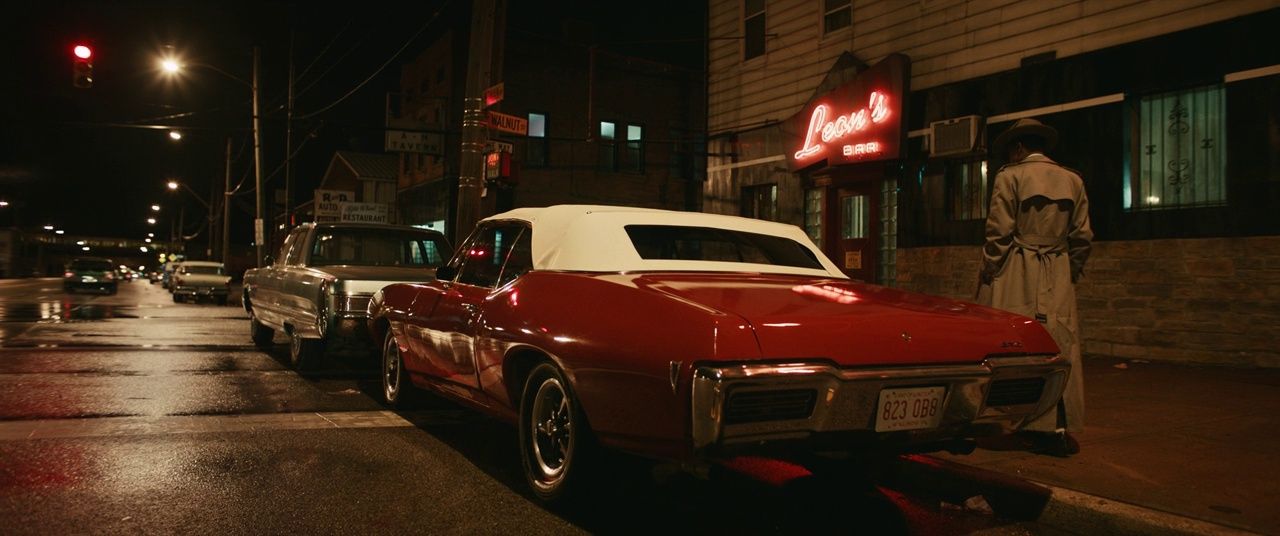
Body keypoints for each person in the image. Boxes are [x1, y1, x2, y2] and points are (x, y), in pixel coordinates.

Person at [977, 117, 1093, 457]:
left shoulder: (1010, 177)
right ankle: (1056, 425)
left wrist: (989, 270)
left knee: (1015, 343)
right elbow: (1083, 237)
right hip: (1056, 266)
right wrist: (1067, 270)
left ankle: (1015, 422)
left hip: (1018, 265)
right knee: (1060, 343)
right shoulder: (1073, 180)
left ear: (1018, 147)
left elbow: (999, 233)